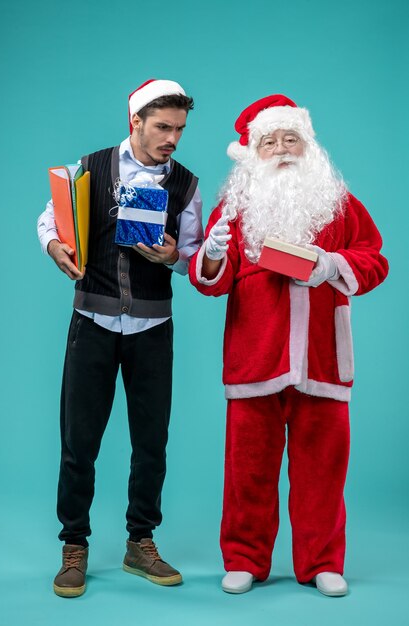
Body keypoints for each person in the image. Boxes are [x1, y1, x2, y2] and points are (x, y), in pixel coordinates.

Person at [189, 94, 388, 597]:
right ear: (253, 152)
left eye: (290, 139)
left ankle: (322, 562)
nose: (280, 149)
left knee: (323, 469)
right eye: (270, 141)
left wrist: (331, 267)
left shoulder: (338, 203)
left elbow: (374, 259)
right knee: (248, 469)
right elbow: (211, 282)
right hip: (255, 356)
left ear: (308, 145)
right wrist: (211, 254)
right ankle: (244, 558)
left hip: (322, 358)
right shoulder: (234, 209)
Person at [38, 79, 203, 597]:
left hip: (154, 327)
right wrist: (53, 246)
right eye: (162, 127)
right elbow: (52, 215)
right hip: (92, 321)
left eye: (179, 129)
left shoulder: (188, 184)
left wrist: (174, 255)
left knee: (151, 443)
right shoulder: (92, 166)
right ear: (134, 121)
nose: (171, 138)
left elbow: (197, 257)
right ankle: (74, 546)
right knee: (78, 441)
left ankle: (140, 541)